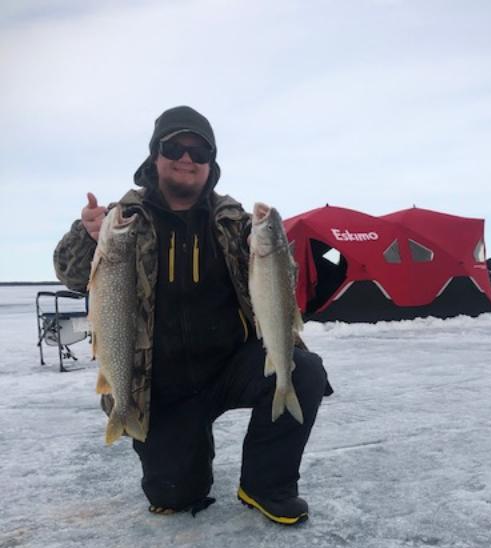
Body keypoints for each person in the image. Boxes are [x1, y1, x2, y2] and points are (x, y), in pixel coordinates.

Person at [54, 105, 331, 525]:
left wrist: (275, 250)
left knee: (301, 369)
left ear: (211, 164)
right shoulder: (122, 221)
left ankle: (265, 486)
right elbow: (73, 276)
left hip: (228, 367)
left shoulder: (234, 223)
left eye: (199, 151)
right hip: (159, 384)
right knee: (177, 496)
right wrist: (85, 235)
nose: (187, 158)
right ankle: (183, 456)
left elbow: (274, 282)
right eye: (175, 147)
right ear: (155, 156)